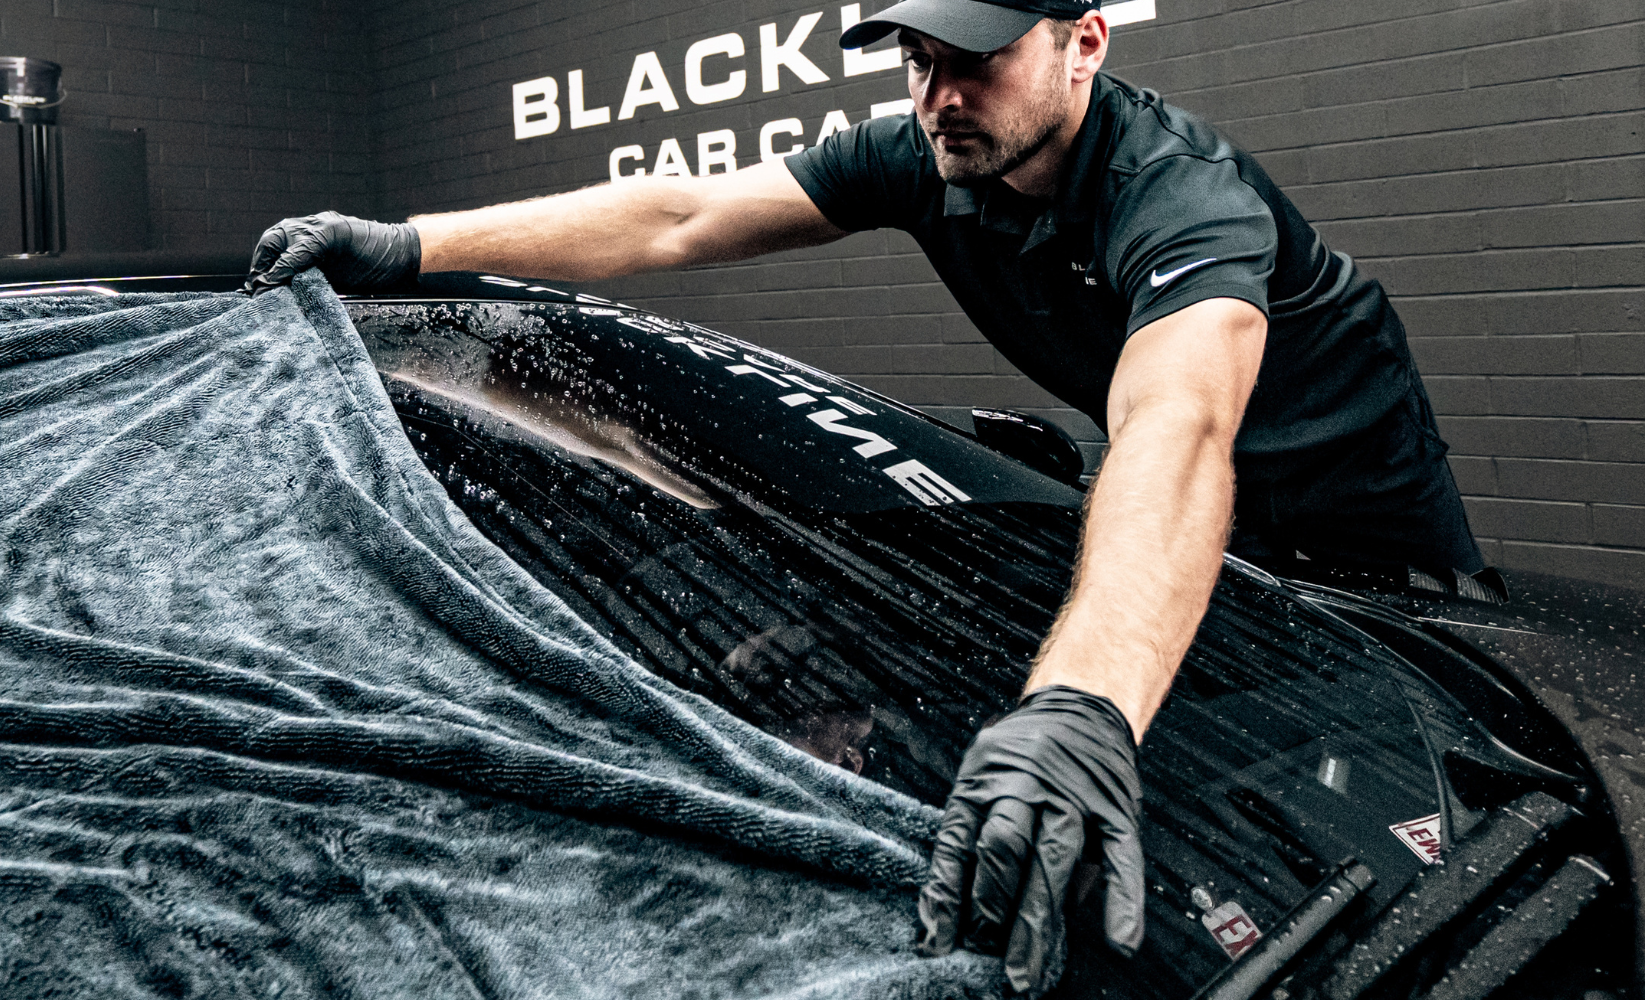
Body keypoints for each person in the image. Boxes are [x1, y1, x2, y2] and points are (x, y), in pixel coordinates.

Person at [240, 0, 1494, 993]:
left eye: (977, 60)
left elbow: (1179, 424)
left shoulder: (1181, 194)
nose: (940, 93)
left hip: (1361, 537)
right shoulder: (926, 156)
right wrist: (413, 245)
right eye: (918, 60)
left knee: (1364, 773)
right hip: (1184, 519)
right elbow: (681, 215)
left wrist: (1080, 704)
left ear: (1083, 46)